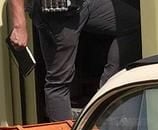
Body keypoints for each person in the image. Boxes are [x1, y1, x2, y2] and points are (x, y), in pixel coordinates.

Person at [8, 0, 141, 121]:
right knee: (58, 83)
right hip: (59, 12)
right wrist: (19, 25)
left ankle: (105, 92)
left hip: (82, 5)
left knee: (135, 22)